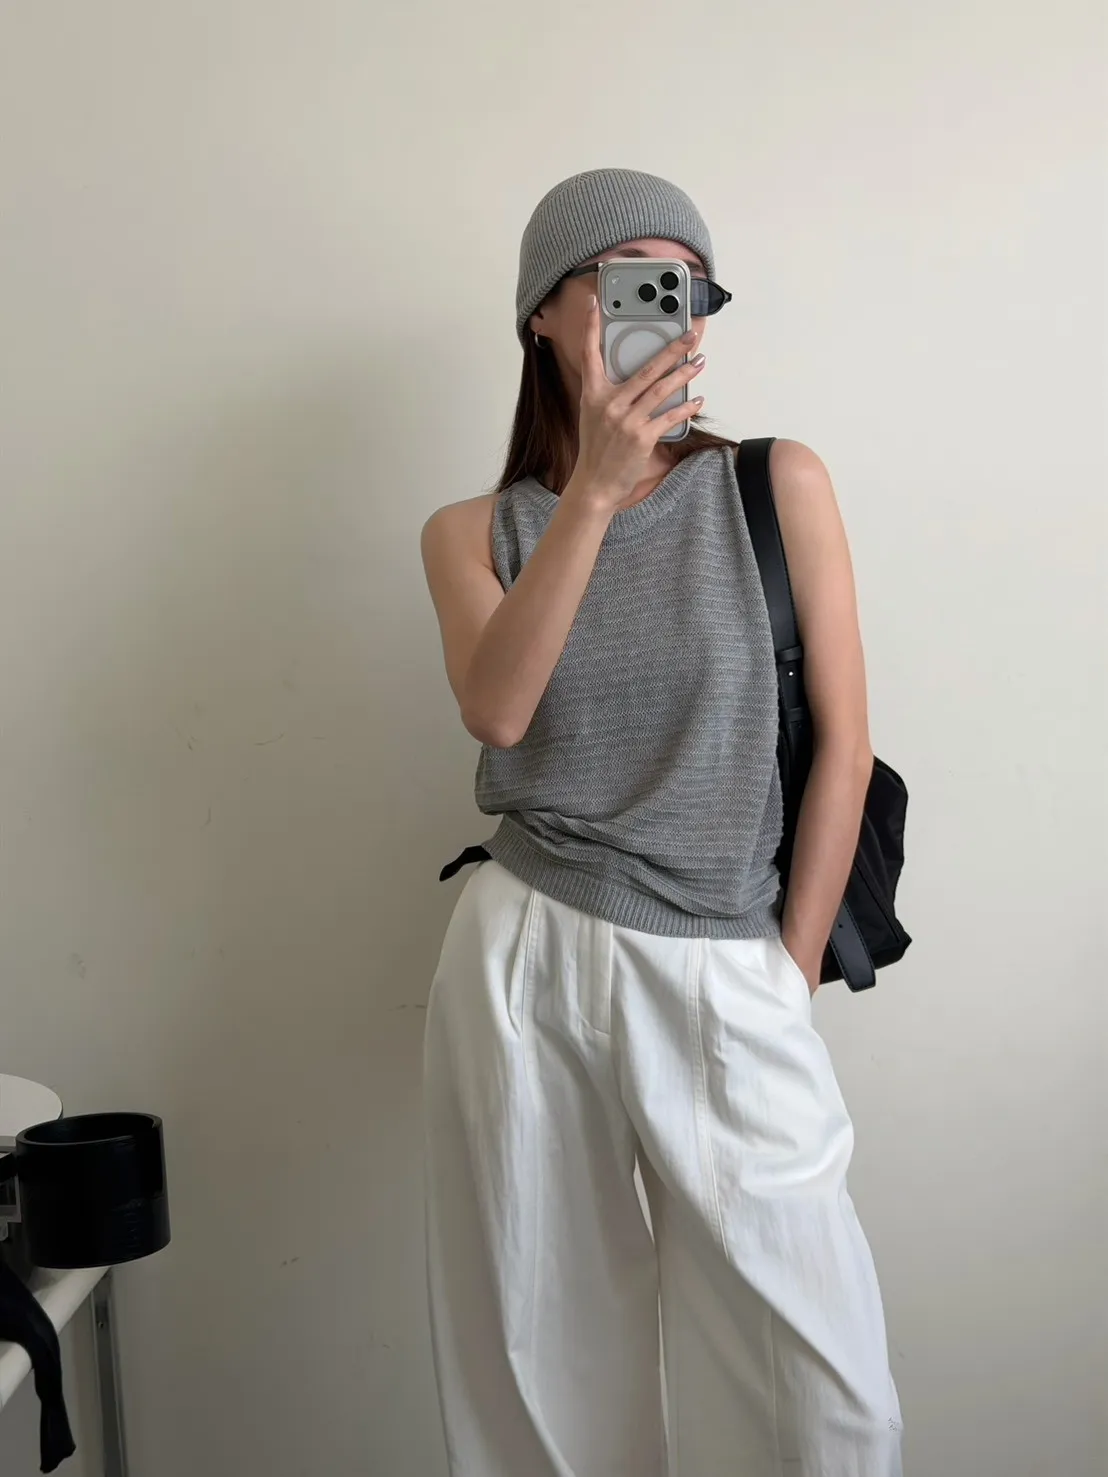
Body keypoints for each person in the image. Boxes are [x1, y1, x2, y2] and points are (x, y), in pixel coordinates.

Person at [419, 167, 903, 1477]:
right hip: (524, 951)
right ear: (544, 310)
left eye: (687, 290)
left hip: (726, 958)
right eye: (633, 280)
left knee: (827, 1400)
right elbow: (498, 710)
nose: (666, 309)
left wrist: (785, 978)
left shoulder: (773, 484)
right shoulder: (472, 531)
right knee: (541, 1374)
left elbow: (845, 747)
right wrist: (592, 491)